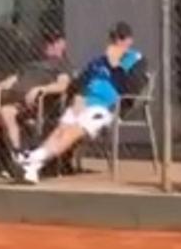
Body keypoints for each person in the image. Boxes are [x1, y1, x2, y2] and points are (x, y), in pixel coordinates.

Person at [15, 22, 148, 185]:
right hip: (84, 103)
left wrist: (116, 65)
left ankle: (31, 157)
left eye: (120, 38)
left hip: (107, 108)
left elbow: (133, 88)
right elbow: (77, 84)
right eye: (113, 38)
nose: (116, 42)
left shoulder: (136, 61)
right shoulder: (98, 62)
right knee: (60, 130)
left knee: (72, 131)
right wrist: (78, 97)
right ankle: (33, 167)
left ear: (129, 41)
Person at [0, 30, 71, 156]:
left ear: (62, 44)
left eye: (54, 42)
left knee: (4, 112)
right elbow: (13, 80)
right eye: (47, 42)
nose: (49, 45)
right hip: (11, 98)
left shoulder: (62, 65)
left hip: (36, 105)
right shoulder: (30, 64)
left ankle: (15, 156)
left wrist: (40, 89)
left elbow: (62, 85)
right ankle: (8, 155)